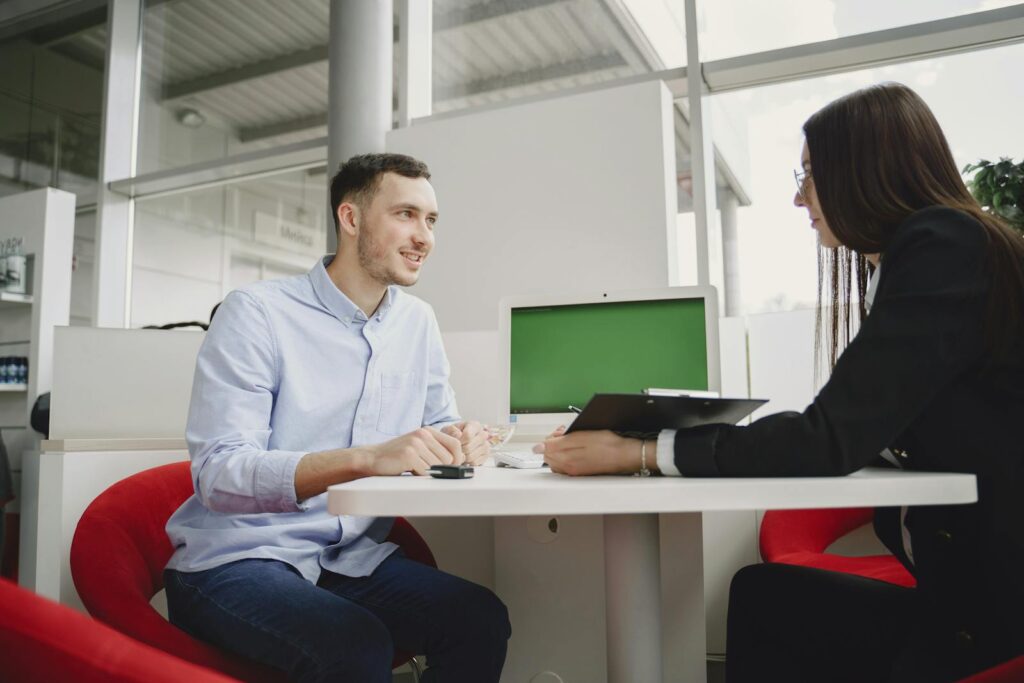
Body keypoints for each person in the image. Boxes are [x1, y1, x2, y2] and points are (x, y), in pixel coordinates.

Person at [534, 83, 1024, 682]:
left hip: (991, 615)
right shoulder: (939, 252)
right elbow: (862, 429)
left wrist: (638, 451)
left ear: (863, 169)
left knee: (768, 604)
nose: (799, 198)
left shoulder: (943, 246)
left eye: (810, 175)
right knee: (765, 597)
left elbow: (830, 438)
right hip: (964, 592)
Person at [164, 153, 510, 683]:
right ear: (350, 219)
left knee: (479, 617)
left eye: (431, 220)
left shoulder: (417, 322)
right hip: (235, 560)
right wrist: (369, 458)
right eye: (406, 215)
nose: (425, 237)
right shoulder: (255, 313)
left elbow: (440, 423)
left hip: (345, 556)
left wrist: (461, 440)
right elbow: (219, 473)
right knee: (355, 645)